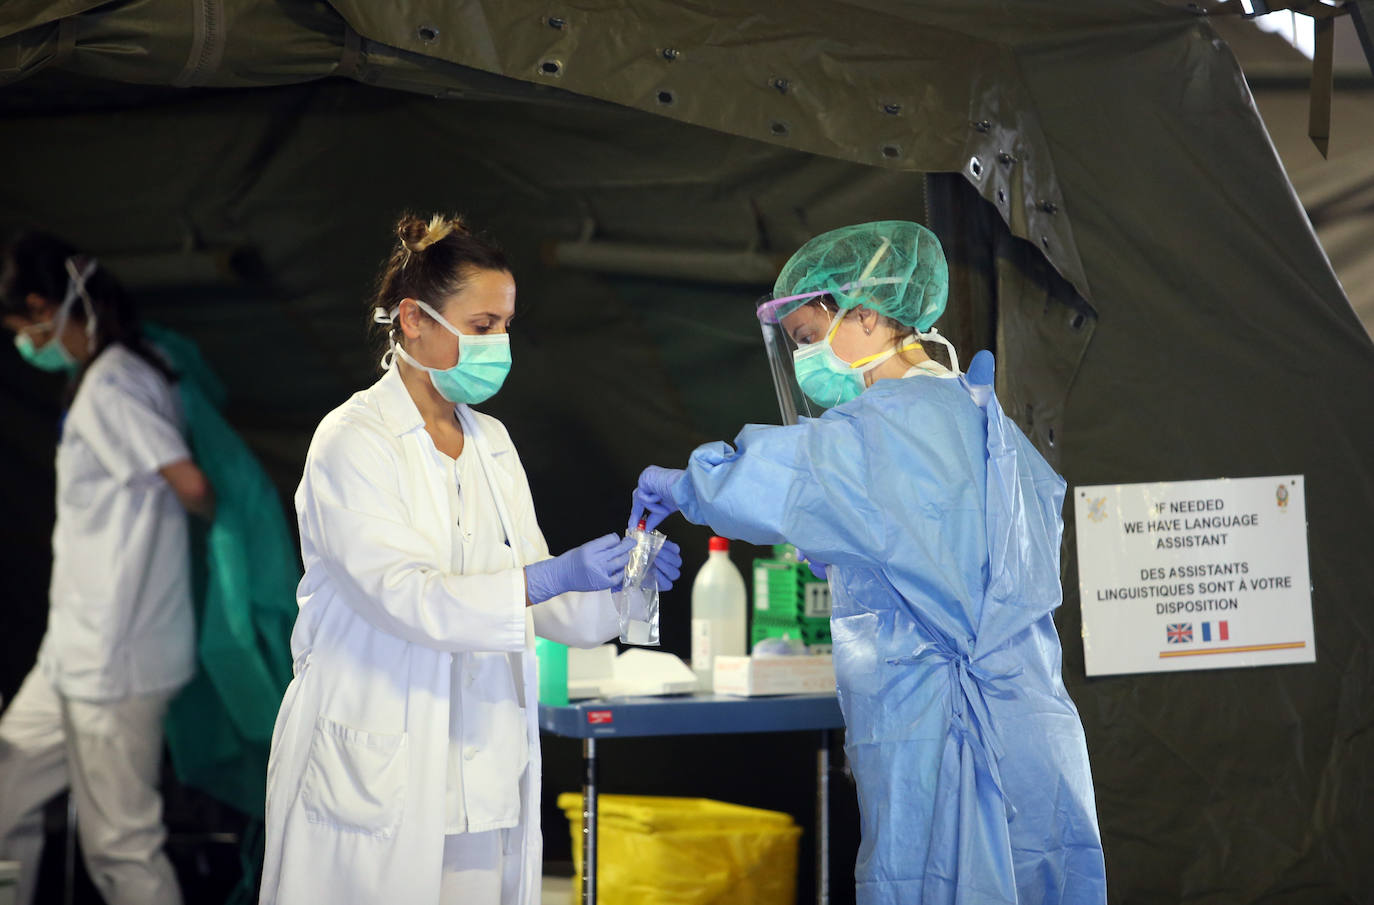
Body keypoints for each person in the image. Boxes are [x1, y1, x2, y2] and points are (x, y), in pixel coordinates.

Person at [629, 221, 1107, 905]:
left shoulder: (880, 427)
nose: (805, 357)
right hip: (1034, 735)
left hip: (943, 742)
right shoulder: (982, 417)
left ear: (868, 313)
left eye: (806, 336)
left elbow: (777, 479)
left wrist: (683, 485)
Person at [259, 213, 681, 905]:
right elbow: (406, 597)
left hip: (482, 774)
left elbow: (546, 600)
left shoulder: (492, 441)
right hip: (378, 767)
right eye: (483, 325)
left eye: (507, 326)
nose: (501, 344)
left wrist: (623, 581)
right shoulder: (352, 439)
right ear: (414, 319)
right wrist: (544, 576)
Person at [0, 232, 216, 905]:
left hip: (113, 661)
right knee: (6, 792)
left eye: (18, 327)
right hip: (74, 652)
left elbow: (193, 485)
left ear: (42, 307)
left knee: (120, 844)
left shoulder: (114, 383)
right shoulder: (118, 371)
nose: (23, 341)